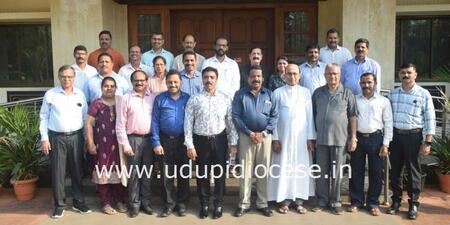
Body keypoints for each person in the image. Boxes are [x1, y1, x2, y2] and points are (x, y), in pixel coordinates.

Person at [184, 67, 238, 219]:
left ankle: (218, 204)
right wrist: (190, 145)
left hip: (220, 140)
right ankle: (204, 204)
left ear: (217, 79)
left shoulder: (225, 98)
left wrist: (233, 143)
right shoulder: (194, 99)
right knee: (202, 175)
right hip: (200, 141)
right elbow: (187, 123)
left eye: (212, 77)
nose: (209, 80)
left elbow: (231, 123)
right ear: (202, 79)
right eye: (206, 77)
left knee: (219, 174)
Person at [39, 65, 90, 219]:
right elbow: (44, 117)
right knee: (58, 172)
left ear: (74, 78)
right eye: (63, 76)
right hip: (57, 138)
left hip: (77, 137)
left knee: (77, 170)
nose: (66, 79)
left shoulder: (79, 94)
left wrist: (87, 138)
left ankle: (78, 201)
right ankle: (59, 205)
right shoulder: (51, 94)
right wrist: (44, 138)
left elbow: (85, 118)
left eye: (69, 76)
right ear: (59, 77)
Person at [386, 63, 435, 220]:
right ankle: (396, 201)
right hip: (396, 136)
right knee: (395, 171)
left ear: (415, 75)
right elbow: (387, 118)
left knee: (413, 171)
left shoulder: (423, 94)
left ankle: (413, 203)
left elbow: (430, 118)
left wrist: (428, 142)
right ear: (399, 75)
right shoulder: (393, 94)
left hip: (414, 137)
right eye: (402, 73)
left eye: (409, 72)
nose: (405, 75)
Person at [267, 64, 316, 215]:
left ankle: (299, 201)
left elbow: (309, 116)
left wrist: (310, 137)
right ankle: (284, 200)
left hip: (301, 139)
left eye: (295, 74)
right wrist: (275, 138)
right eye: (289, 74)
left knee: (300, 167)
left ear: (300, 75)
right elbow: (273, 118)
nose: (292, 76)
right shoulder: (277, 93)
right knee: (283, 167)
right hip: (283, 138)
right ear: (284, 75)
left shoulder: (306, 93)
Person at [232, 65, 278, 217]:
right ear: (248, 78)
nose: (256, 79)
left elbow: (274, 117)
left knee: (262, 170)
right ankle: (244, 204)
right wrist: (250, 132)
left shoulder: (270, 95)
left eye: (259, 76)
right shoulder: (240, 94)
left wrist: (263, 133)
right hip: (246, 136)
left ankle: (262, 203)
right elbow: (236, 116)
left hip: (265, 137)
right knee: (246, 171)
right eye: (253, 76)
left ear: (263, 78)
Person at [311, 63, 357, 215]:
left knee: (337, 173)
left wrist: (353, 137)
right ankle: (322, 200)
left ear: (340, 75)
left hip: (340, 140)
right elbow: (312, 115)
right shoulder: (317, 93)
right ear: (325, 75)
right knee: (322, 172)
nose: (333, 76)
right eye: (329, 74)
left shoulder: (347, 93)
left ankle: (336, 201)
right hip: (321, 140)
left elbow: (352, 116)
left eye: (335, 74)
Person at [348, 72, 393, 216]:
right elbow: (350, 120)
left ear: (375, 83)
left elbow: (388, 123)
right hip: (358, 139)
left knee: (376, 172)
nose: (366, 85)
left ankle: (373, 203)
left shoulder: (383, 101)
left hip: (376, 139)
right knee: (356, 171)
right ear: (359, 83)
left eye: (369, 82)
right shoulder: (354, 99)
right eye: (363, 83)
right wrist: (351, 138)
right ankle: (356, 201)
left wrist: (385, 144)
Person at [115, 70, 156, 218]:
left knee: (147, 173)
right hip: (132, 139)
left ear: (147, 81)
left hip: (149, 140)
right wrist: (125, 145)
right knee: (133, 174)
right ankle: (134, 204)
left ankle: (146, 203)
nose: (139, 83)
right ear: (132, 82)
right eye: (136, 81)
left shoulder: (153, 97)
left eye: (142, 80)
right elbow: (120, 125)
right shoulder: (125, 98)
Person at [85, 77, 127, 215]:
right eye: (106, 86)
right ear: (101, 87)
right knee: (103, 172)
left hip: (119, 144)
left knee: (119, 172)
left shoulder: (121, 101)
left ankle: (119, 200)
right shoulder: (96, 104)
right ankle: (105, 203)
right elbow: (89, 124)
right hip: (102, 145)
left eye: (112, 86)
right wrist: (90, 143)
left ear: (116, 87)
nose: (109, 88)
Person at [151, 70, 191, 217]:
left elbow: (191, 121)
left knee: (183, 173)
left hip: (183, 141)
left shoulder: (187, 98)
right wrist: (156, 142)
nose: (173, 84)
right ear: (166, 83)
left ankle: (181, 203)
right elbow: (154, 121)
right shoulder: (160, 99)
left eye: (176, 82)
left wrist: (190, 143)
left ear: (181, 82)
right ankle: (169, 203)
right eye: (170, 82)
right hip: (164, 140)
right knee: (166, 174)